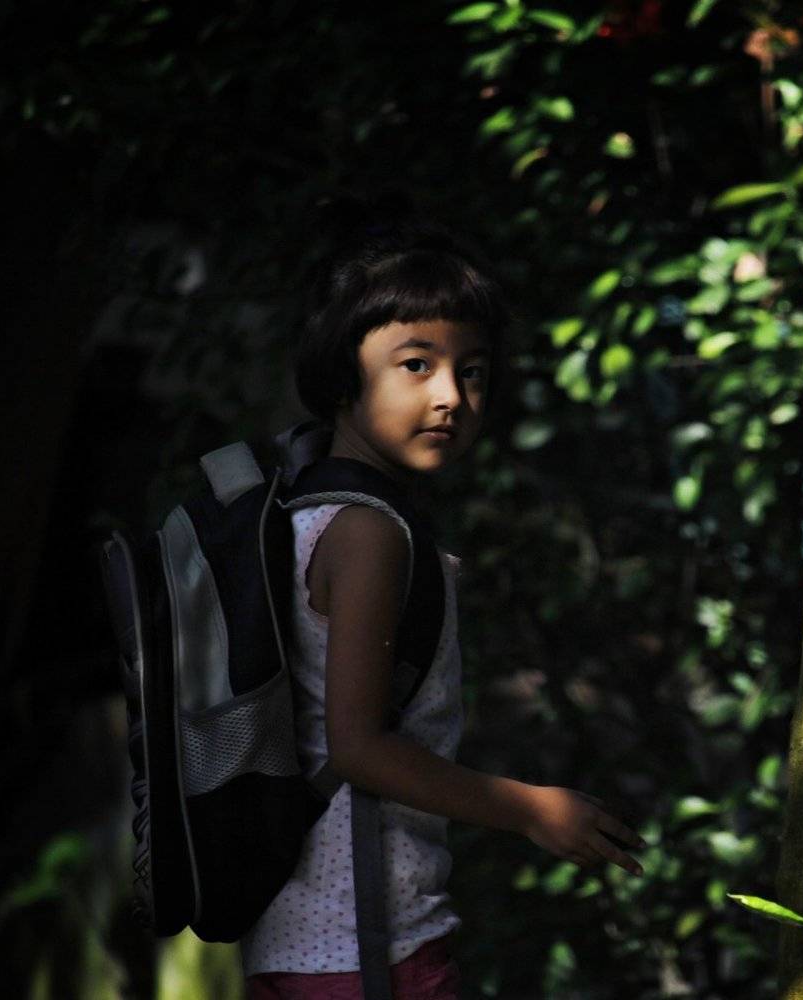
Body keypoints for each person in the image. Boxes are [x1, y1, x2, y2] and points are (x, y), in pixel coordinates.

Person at [241, 213, 646, 1000]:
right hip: (367, 945)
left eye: (474, 371)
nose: (452, 397)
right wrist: (531, 809)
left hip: (293, 939)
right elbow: (359, 747)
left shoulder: (300, 513)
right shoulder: (369, 535)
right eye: (417, 364)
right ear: (342, 377)